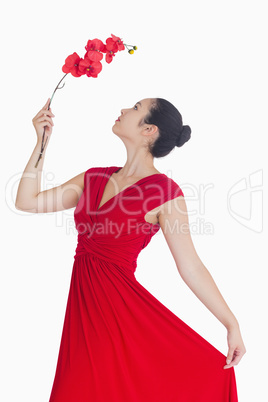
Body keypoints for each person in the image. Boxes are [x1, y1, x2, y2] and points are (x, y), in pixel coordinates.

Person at [15, 97, 246, 401]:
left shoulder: (165, 194)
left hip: (123, 318)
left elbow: (191, 267)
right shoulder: (93, 178)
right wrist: (42, 143)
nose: (123, 109)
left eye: (135, 108)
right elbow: (27, 201)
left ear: (149, 129)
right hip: (84, 319)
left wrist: (232, 323)